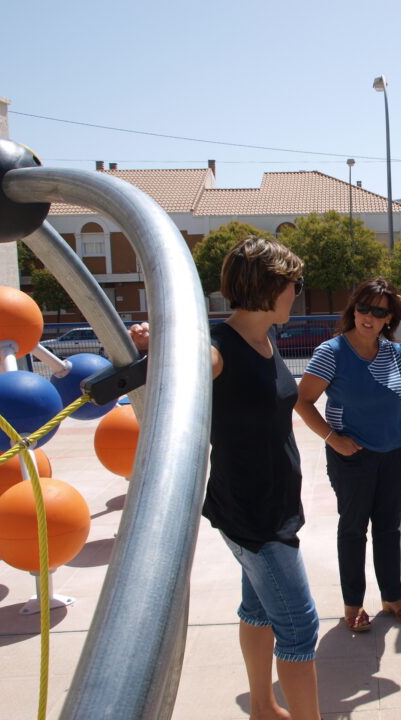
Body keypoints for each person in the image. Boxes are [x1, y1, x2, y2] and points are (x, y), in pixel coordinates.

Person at [131, 235, 321, 720]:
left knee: (258, 611)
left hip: (271, 506)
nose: (297, 292)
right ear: (268, 286)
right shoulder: (216, 350)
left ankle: (262, 707)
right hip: (254, 518)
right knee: (299, 629)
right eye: (295, 284)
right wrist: (157, 344)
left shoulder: (265, 339)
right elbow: (182, 366)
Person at [295, 279, 401, 632]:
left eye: (379, 312)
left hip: (393, 452)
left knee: (389, 528)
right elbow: (302, 401)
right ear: (354, 308)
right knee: (353, 529)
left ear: (389, 318)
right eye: (364, 307)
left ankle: (392, 597)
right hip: (353, 457)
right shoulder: (332, 352)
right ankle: (353, 604)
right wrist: (333, 439)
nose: (369, 317)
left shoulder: (391, 351)